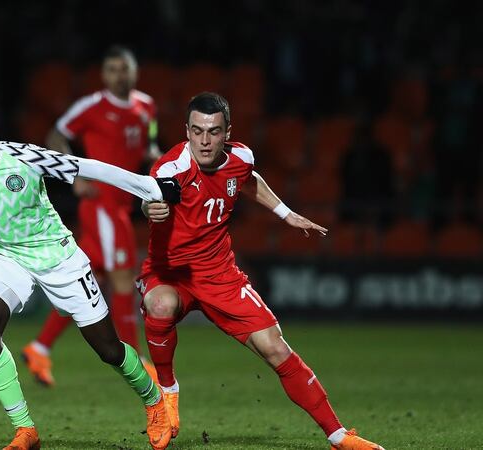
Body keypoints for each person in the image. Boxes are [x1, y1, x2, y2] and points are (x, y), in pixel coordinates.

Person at [0, 96, 181, 450]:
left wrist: (150, 187)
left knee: (108, 349)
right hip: (6, 257)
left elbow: (90, 167)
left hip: (57, 256)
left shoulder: (23, 158)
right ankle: (24, 429)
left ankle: (154, 401)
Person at [138, 92, 385, 449]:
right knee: (160, 305)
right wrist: (151, 210)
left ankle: (338, 435)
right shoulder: (170, 169)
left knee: (276, 347)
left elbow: (248, 180)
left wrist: (286, 214)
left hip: (220, 275)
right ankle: (167, 393)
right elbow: (151, 200)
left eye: (213, 131)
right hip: (170, 273)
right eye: (196, 131)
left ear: (228, 132)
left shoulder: (240, 157)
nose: (204, 141)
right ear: (186, 131)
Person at [22, 46, 160, 387]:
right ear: (104, 74)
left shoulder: (146, 107)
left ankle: (39, 347)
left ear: (134, 72)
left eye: (123, 69)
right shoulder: (91, 106)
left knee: (89, 284)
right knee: (123, 281)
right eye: (112, 69)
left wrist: (156, 158)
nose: (118, 75)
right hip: (102, 205)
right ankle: (138, 360)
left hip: (122, 205)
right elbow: (56, 135)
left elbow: (150, 142)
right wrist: (74, 176)